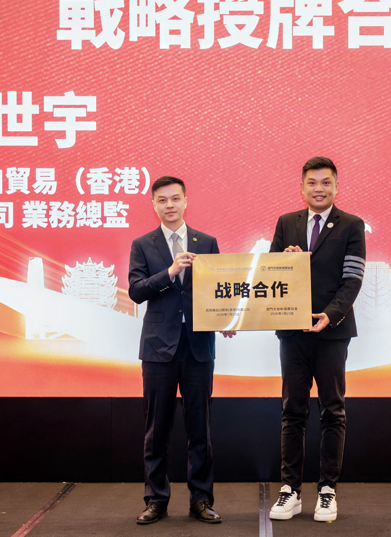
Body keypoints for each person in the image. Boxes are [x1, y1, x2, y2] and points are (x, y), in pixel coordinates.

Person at [128, 175, 235, 525]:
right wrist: (170, 272)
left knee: (199, 428)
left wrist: (225, 318)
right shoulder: (142, 245)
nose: (169, 205)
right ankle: (156, 499)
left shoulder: (207, 242)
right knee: (156, 429)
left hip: (198, 346)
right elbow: (136, 291)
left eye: (175, 198)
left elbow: (218, 289)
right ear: (154, 205)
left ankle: (201, 499)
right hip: (158, 348)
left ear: (186, 201)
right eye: (162, 200)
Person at [268, 156, 366, 523]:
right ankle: (290, 490)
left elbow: (352, 279)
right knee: (292, 410)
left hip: (333, 332)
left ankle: (327, 490)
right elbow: (269, 272)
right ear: (302, 187)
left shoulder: (352, 225)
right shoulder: (286, 223)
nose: (319, 189)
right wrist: (284, 260)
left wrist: (330, 314)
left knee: (332, 410)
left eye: (326, 182)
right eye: (312, 182)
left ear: (336, 187)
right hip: (292, 331)